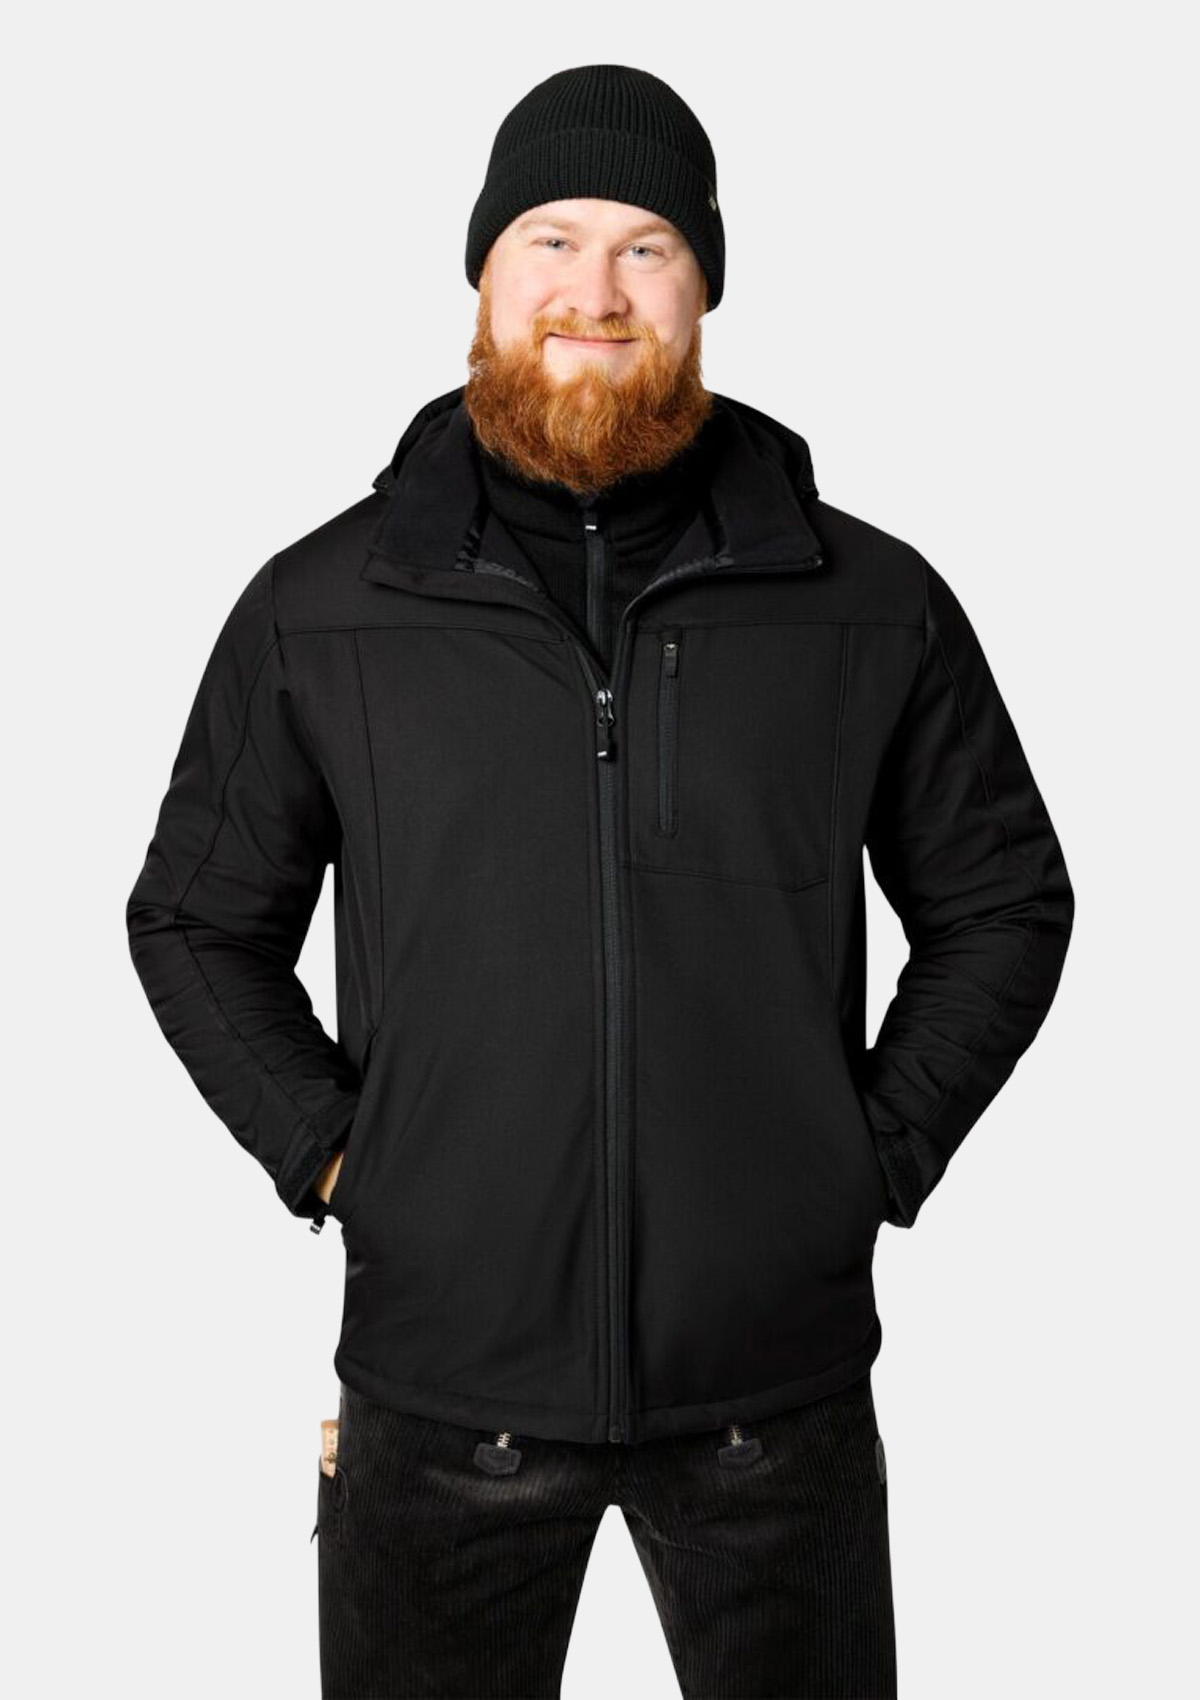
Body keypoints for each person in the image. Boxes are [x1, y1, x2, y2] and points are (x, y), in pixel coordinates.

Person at [126, 61, 1074, 1700]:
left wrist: (862, 1156)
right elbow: (197, 921)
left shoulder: (866, 602)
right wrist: (343, 1156)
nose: (596, 291)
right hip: (442, 1391)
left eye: (647, 247)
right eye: (550, 241)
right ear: (483, 275)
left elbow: (1003, 902)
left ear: (705, 287)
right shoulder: (323, 607)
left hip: (772, 1399)